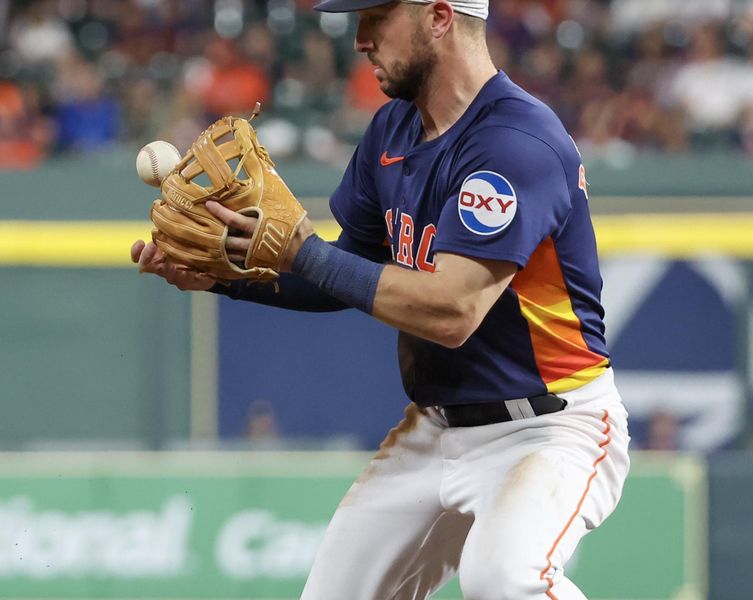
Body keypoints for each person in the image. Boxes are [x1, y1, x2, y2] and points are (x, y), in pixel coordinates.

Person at [132, 0, 630, 597]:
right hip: (434, 430)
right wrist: (220, 279)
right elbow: (346, 273)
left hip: (551, 429)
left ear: (441, 17)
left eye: (377, 18)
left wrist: (303, 252)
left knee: (505, 580)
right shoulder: (391, 130)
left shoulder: (517, 143)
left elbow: (452, 313)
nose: (360, 37)